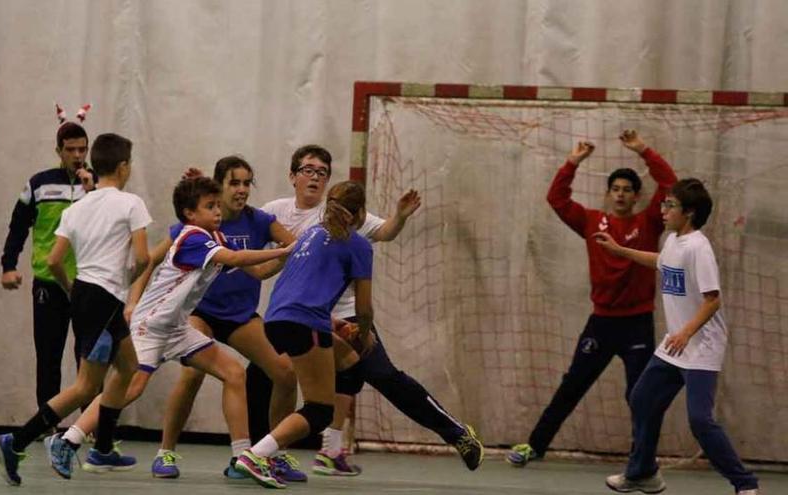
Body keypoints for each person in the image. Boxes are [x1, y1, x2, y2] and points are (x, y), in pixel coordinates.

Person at [252, 145, 483, 477]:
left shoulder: (346, 224)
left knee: (370, 374)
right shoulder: (278, 212)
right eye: (308, 170)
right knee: (281, 377)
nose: (315, 176)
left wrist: (400, 216)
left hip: (336, 317)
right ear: (293, 176)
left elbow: (384, 235)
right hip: (310, 316)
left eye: (322, 171)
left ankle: (452, 434)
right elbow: (257, 244)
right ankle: (265, 453)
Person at [508, 130, 678, 467]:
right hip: (601, 322)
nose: (620, 195)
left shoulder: (648, 222)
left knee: (640, 394)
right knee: (572, 386)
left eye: (627, 190)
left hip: (638, 323)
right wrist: (573, 161)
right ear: (608, 193)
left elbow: (671, 185)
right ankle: (535, 445)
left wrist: (642, 149)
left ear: (636, 196)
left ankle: (642, 457)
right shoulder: (590, 221)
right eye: (615, 189)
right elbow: (556, 199)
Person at [0, 133, 150, 486]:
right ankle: (16, 442)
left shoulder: (77, 207)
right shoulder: (131, 203)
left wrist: (72, 288)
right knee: (85, 386)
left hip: (85, 295)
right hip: (106, 297)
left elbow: (54, 259)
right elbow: (143, 258)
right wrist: (126, 279)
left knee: (128, 367)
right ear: (123, 167)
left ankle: (103, 447)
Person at [595, 178, 759, 495]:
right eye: (664, 204)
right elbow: (662, 262)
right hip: (675, 345)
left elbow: (713, 300)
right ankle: (643, 473)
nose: (663, 210)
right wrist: (620, 250)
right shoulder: (673, 241)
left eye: (670, 206)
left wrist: (685, 332)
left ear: (690, 213)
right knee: (641, 399)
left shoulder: (699, 248)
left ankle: (745, 483)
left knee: (699, 420)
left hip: (701, 346)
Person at [145, 156, 298, 480]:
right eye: (234, 182)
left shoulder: (259, 221)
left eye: (247, 183)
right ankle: (165, 452)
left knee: (284, 372)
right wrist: (133, 299)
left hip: (240, 316)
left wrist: (273, 266)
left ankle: (271, 454)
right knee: (192, 374)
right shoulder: (200, 225)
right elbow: (150, 260)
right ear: (218, 186)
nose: (242, 189)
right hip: (200, 313)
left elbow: (290, 248)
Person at [235, 181, 376, 489]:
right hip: (305, 324)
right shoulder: (359, 245)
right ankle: (256, 455)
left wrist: (333, 321)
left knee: (351, 366)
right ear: (360, 213)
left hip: (276, 319)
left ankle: (277, 456)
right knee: (319, 408)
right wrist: (364, 334)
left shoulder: (309, 235)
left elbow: (299, 290)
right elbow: (364, 309)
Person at [0, 117, 94, 408]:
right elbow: (18, 226)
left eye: (82, 149)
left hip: (87, 284)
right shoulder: (38, 184)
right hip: (49, 283)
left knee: (90, 357)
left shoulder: (97, 185)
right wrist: (9, 266)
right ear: (58, 151)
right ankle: (47, 425)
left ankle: (90, 428)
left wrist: (92, 191)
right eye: (70, 149)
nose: (77, 156)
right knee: (49, 355)